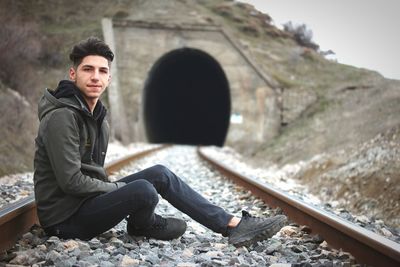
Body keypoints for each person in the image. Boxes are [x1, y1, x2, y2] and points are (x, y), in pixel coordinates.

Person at [33, 37, 287, 247]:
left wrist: (115, 189)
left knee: (160, 174)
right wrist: (117, 189)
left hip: (85, 205)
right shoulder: (62, 117)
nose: (95, 77)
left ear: (109, 79)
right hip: (65, 220)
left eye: (102, 71)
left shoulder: (98, 116)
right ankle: (144, 224)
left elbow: (90, 177)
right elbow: (71, 182)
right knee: (143, 189)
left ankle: (232, 225)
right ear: (73, 73)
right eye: (88, 69)